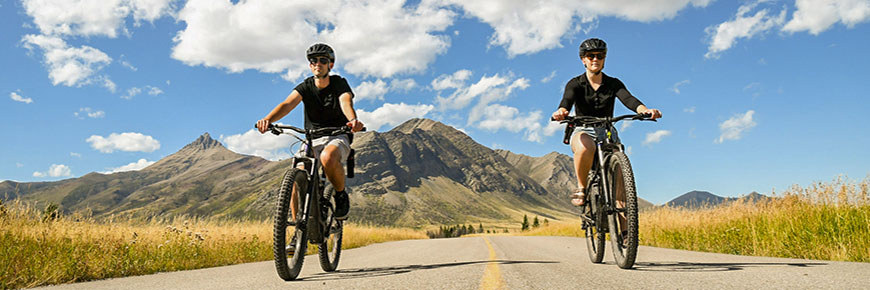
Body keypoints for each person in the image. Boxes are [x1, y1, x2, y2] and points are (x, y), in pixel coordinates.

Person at [257, 43, 364, 221]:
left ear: (330, 64)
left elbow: (345, 102)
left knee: (328, 157)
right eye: (313, 61)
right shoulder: (306, 86)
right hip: (312, 138)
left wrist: (352, 120)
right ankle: (297, 227)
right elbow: (287, 104)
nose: (318, 64)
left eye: (323, 60)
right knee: (296, 176)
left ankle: (340, 195)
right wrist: (268, 120)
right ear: (310, 65)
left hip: (337, 135)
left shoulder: (339, 83)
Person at [552, 38, 662, 208]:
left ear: (604, 59)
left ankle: (627, 225)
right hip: (583, 130)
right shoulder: (575, 83)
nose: (595, 59)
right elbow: (567, 100)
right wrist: (561, 111)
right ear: (583, 59)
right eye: (590, 56)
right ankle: (582, 188)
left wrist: (645, 110)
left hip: (607, 131)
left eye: (600, 55)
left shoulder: (613, 83)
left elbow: (628, 99)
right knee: (585, 147)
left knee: (621, 187)